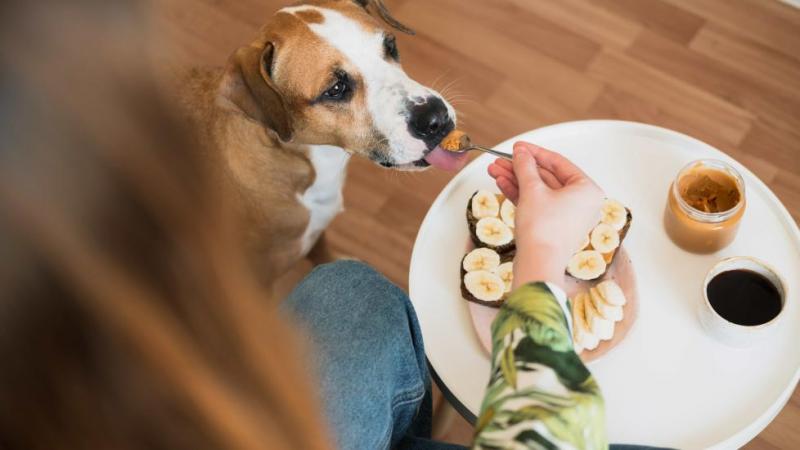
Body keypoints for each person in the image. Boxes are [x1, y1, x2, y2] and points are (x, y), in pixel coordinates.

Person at [0, 2, 670, 449]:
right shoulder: (244, 194)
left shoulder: (303, 144)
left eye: (386, 53)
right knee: (356, 293)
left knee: (345, 284)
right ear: (268, 105)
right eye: (340, 88)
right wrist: (546, 257)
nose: (423, 106)